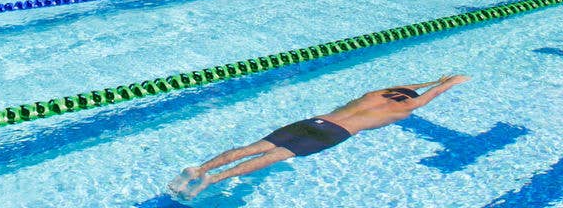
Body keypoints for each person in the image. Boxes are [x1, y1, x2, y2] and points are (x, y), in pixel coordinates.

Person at [170, 76, 470, 198]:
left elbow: (404, 86)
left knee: (252, 148)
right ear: (406, 99)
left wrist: (433, 78)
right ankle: (213, 180)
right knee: (273, 158)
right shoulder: (404, 109)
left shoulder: (371, 94)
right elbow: (426, 96)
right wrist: (449, 83)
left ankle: (200, 169)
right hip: (333, 133)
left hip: (315, 120)